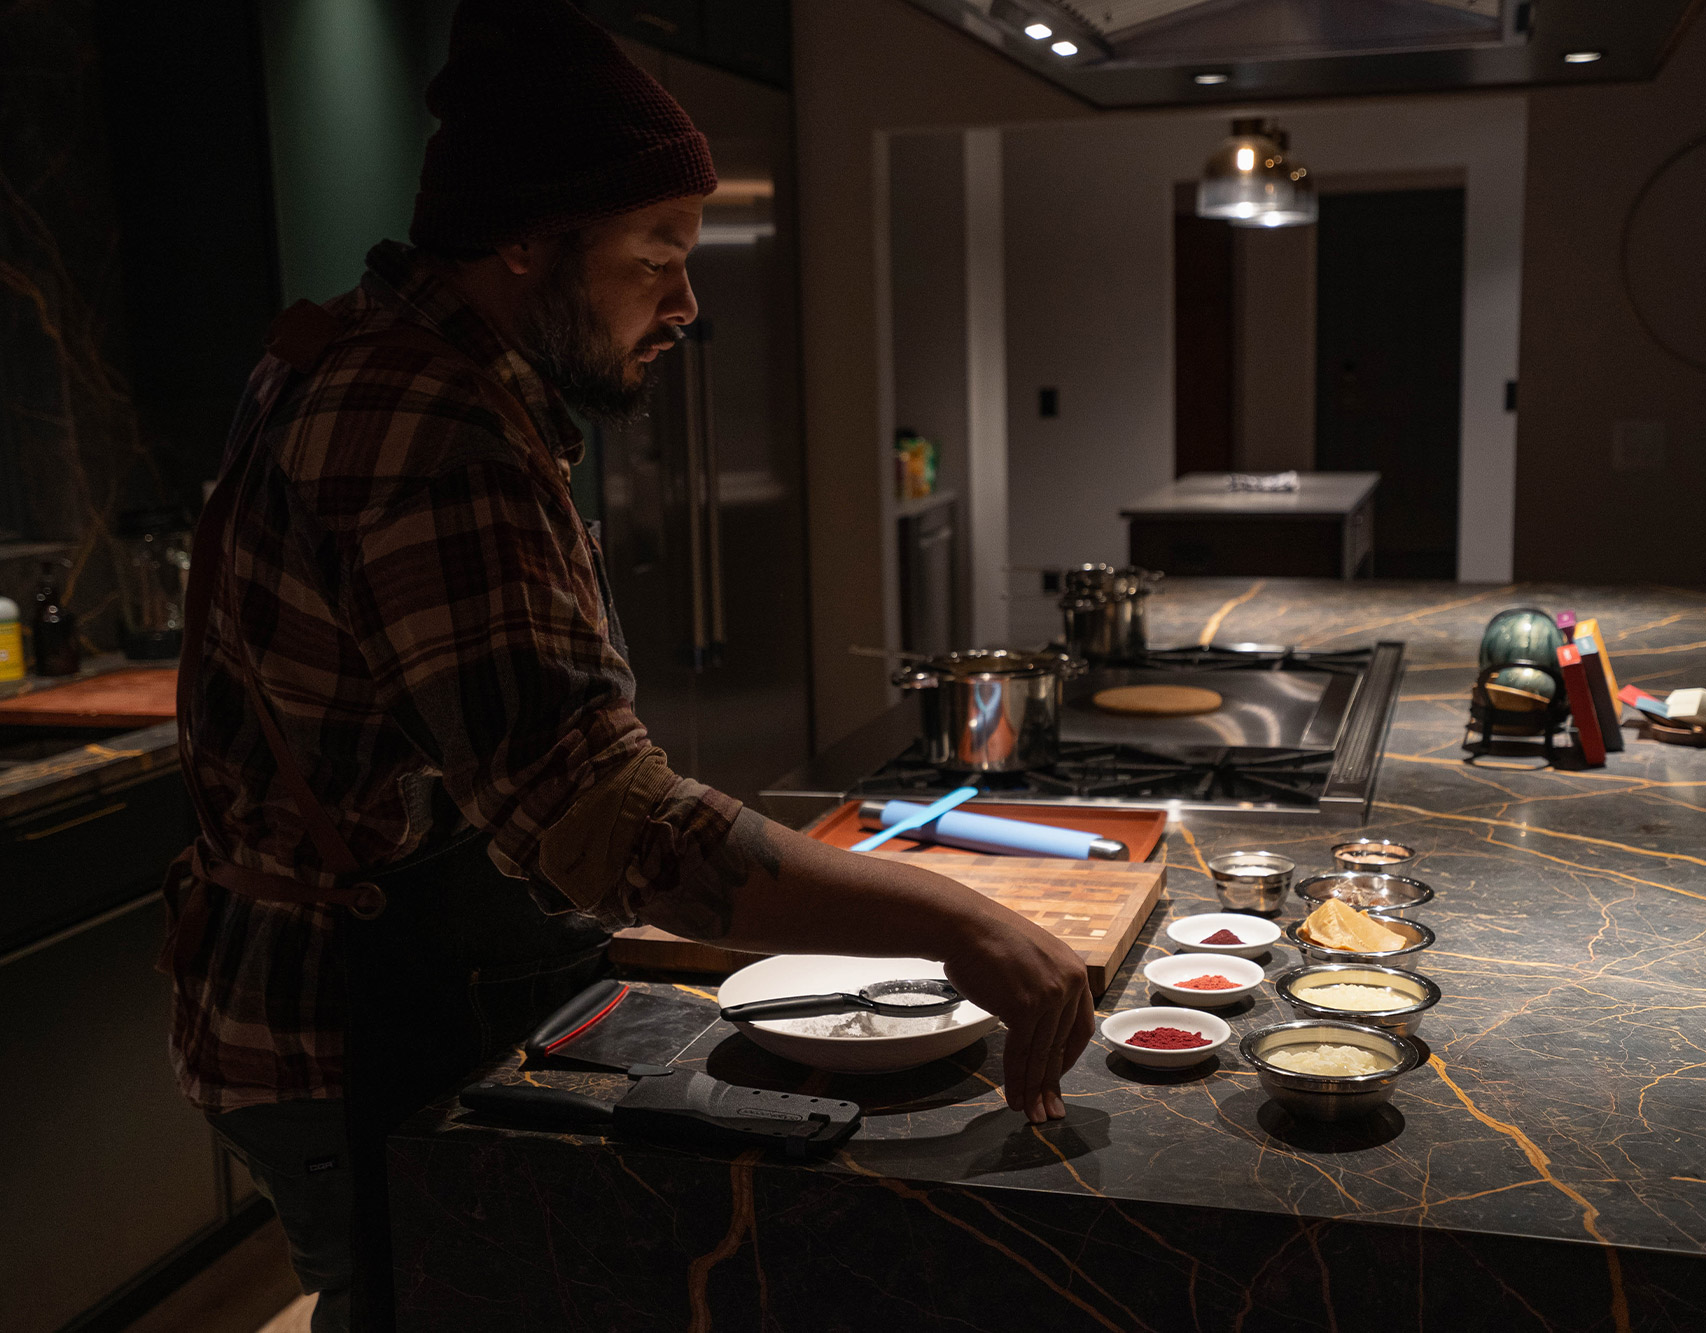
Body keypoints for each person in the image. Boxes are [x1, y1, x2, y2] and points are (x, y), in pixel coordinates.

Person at [159, 3, 1093, 1329]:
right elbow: (602, 820)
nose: (689, 302)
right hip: (352, 1019)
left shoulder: (351, 350)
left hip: (315, 988)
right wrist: (962, 920)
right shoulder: (442, 434)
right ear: (532, 246)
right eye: (656, 255)